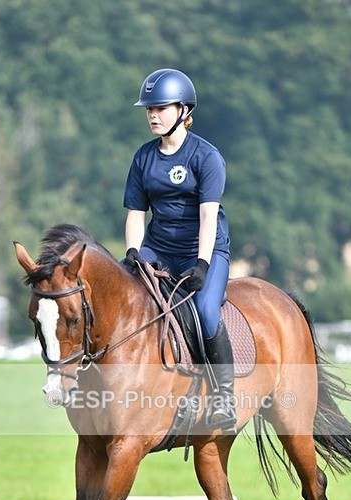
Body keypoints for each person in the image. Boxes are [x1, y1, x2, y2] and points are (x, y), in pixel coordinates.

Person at [123, 68, 237, 431]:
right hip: (159, 247)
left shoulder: (206, 157)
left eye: (160, 108)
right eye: (149, 109)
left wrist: (203, 264)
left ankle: (224, 397)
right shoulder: (143, 157)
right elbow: (136, 214)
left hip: (203, 249)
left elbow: (208, 217)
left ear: (183, 111)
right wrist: (132, 252)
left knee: (205, 310)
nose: (152, 115)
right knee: (129, 299)